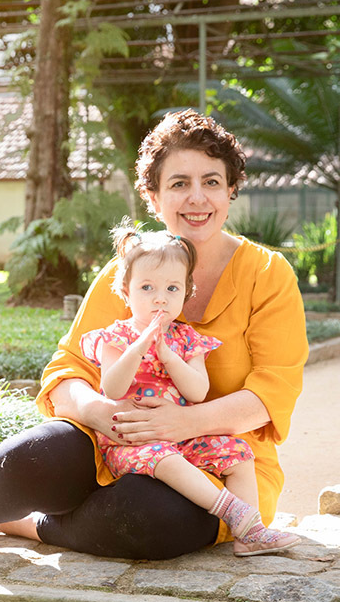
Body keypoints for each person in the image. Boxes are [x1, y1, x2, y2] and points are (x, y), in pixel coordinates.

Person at [0, 108, 308, 560]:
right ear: (152, 197)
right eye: (178, 183)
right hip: (114, 442)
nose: (197, 198)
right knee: (40, 453)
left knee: (147, 517)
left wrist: (181, 422)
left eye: (211, 181)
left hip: (215, 463)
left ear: (231, 190)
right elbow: (68, 369)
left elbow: (271, 394)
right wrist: (99, 412)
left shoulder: (269, 275)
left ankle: (31, 524)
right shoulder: (127, 273)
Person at [79, 220, 300, 557]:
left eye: (172, 289)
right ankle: (233, 512)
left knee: (239, 453)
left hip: (185, 436)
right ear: (125, 292)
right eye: (147, 288)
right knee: (165, 459)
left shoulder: (187, 340)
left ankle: (250, 533)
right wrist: (138, 348)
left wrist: (169, 357)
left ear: (186, 293)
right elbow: (111, 388)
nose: (160, 300)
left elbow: (197, 392)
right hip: (135, 441)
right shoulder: (115, 338)